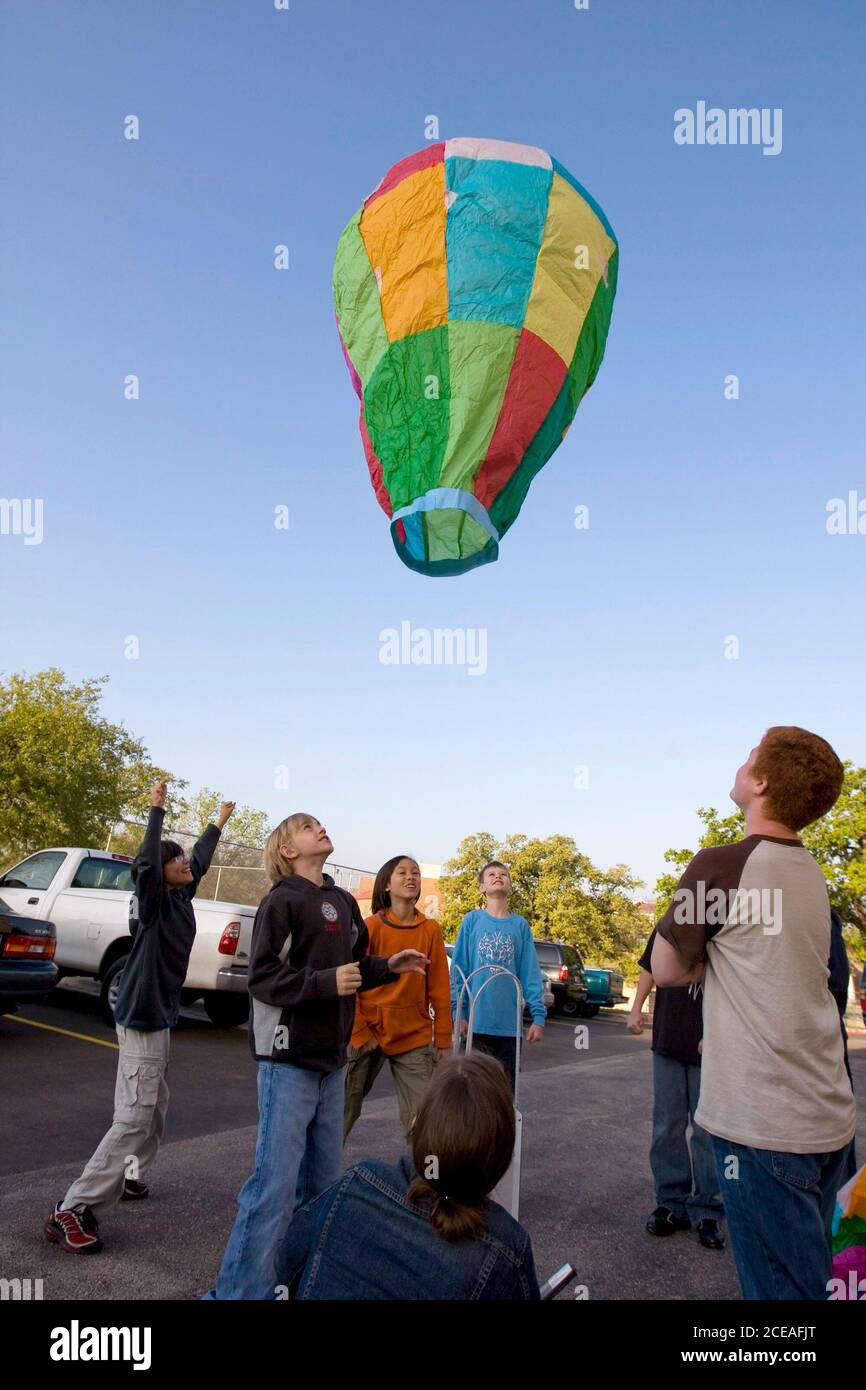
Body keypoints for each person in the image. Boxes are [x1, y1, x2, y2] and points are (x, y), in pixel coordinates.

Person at [651, 727, 857, 1300]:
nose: (740, 762)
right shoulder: (813, 874)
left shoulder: (719, 864)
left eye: (749, 756)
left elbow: (666, 968)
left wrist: (709, 960)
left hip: (764, 1129)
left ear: (761, 782)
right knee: (824, 1280)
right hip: (830, 1119)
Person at [205, 813, 429, 1300]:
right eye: (308, 827)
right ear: (288, 850)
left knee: (323, 1187)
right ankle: (238, 1294)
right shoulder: (281, 901)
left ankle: (293, 1283)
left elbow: (352, 966)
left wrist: (386, 967)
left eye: (320, 824)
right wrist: (326, 984)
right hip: (286, 1061)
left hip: (332, 1061)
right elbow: (262, 978)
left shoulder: (343, 901)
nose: (320, 829)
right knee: (273, 1187)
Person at [45, 781, 234, 1253]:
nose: (183, 866)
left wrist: (218, 822)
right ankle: (73, 1208)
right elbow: (149, 864)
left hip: (159, 1018)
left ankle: (128, 1174)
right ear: (159, 872)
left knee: (155, 1111)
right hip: (143, 1016)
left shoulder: (180, 899)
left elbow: (200, 861)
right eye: (175, 862)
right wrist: (155, 811)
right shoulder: (151, 902)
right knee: (133, 1117)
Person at [274, 1052, 540, 1300]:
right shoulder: (507, 1249)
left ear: (415, 1125)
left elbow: (287, 1262)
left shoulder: (357, 1181)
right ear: (503, 1156)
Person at [344, 855, 451, 1140]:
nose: (411, 877)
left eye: (415, 872)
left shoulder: (430, 930)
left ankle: (425, 1182)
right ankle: (313, 1182)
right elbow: (351, 980)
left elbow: (439, 987)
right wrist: (360, 1032)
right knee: (341, 1113)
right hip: (368, 1032)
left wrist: (443, 1038)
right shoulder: (371, 927)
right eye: (402, 872)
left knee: (425, 1121)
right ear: (387, 884)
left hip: (413, 1035)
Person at [629, 932, 725, 1249]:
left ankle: (707, 1210)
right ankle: (671, 1204)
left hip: (708, 1049)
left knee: (706, 1132)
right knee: (667, 1127)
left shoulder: (721, 927)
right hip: (668, 1043)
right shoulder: (668, 926)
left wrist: (717, 1032)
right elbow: (649, 967)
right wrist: (636, 1008)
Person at [450, 861, 546, 1089]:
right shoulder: (472, 920)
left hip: (509, 1027)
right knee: (473, 1092)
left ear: (510, 887)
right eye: (491, 874)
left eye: (503, 874)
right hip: (475, 1023)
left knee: (504, 1092)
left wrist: (538, 1016)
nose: (497, 876)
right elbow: (457, 971)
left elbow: (530, 973)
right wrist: (458, 1012)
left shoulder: (520, 926)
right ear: (482, 887)